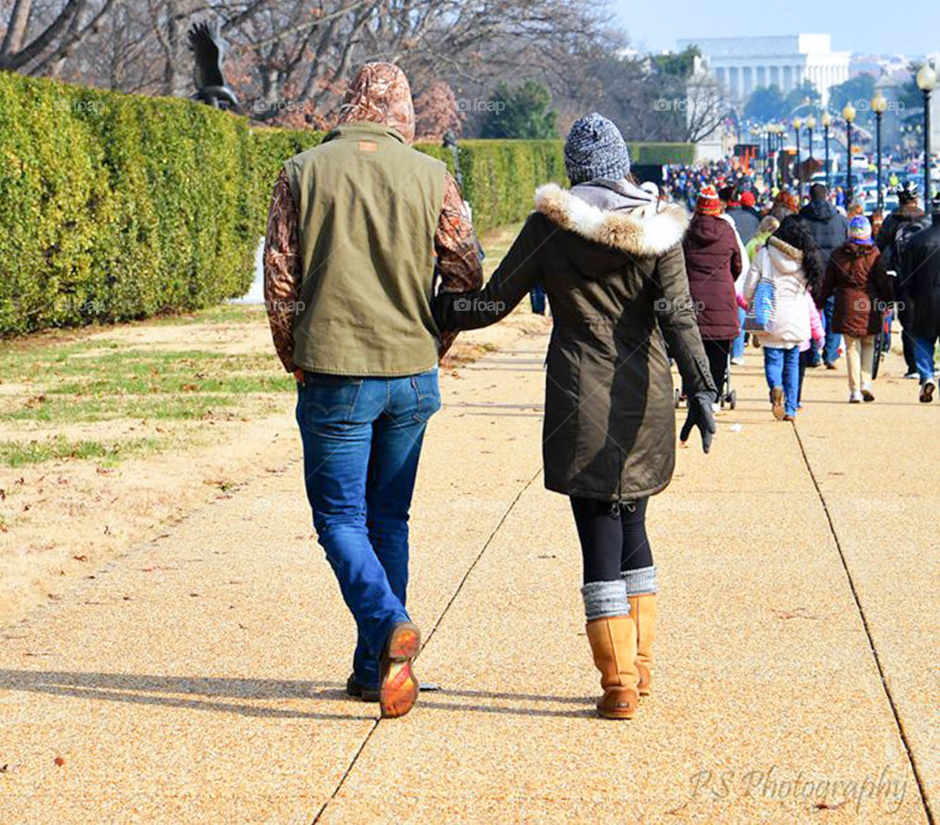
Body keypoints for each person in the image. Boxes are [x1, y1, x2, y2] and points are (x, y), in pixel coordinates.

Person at [435, 113, 716, 721]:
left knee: (597, 531)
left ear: (573, 171)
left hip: (576, 393)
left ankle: (616, 684)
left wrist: (432, 303)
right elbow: (679, 317)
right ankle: (638, 670)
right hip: (644, 394)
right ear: (621, 167)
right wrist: (702, 390)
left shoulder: (547, 229)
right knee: (633, 519)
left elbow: (490, 305)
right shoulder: (659, 232)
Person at [263, 62, 483, 719]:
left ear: (349, 105)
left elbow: (281, 282)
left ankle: (388, 623)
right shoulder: (431, 177)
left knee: (338, 520)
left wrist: (292, 354)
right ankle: (376, 670)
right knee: (389, 519)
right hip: (411, 374)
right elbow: (467, 276)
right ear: (404, 113)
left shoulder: (302, 172)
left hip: (335, 369)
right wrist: (435, 346)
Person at [744, 216, 822, 421]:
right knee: (793, 363)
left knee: (772, 358)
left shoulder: (765, 254)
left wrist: (751, 302)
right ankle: (791, 408)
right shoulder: (807, 259)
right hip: (797, 317)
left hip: (771, 314)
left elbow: (749, 287)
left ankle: (775, 387)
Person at [820, 215, 893, 403]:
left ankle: (854, 391)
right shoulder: (874, 255)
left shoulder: (838, 254)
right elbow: (883, 282)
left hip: (846, 304)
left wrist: (818, 301)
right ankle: (866, 384)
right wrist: (888, 301)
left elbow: (828, 283)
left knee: (852, 348)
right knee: (869, 344)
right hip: (869, 304)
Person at [683, 186, 743, 402]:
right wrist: (725, 282)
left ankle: (693, 393)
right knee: (719, 353)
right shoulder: (727, 230)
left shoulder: (686, 231)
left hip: (691, 299)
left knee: (691, 350)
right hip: (721, 300)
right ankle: (715, 396)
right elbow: (738, 265)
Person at [793, 183, 848, 369]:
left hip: (809, 271)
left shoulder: (801, 219)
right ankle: (830, 353)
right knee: (833, 314)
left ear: (809, 196)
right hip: (833, 272)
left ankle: (812, 354)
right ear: (828, 196)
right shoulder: (840, 220)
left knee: (808, 313)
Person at [877, 183, 927, 379]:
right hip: (922, 275)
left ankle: (912, 365)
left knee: (905, 319)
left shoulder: (891, 220)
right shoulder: (925, 219)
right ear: (915, 199)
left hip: (897, 275)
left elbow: (879, 247)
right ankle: (923, 363)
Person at [897, 195, 940, 402]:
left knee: (923, 339)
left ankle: (927, 375)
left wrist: (905, 301)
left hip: (923, 300)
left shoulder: (916, 241)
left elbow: (906, 277)